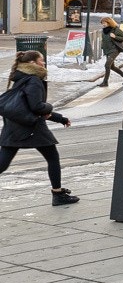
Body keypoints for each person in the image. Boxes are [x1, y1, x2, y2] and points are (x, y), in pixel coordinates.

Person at [0, 50, 77, 205]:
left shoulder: (20, 77)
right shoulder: (33, 80)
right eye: (41, 60)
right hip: (32, 127)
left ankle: (58, 193)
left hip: (14, 126)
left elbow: (26, 105)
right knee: (52, 158)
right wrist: (50, 107)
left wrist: (59, 118)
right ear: (32, 63)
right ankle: (58, 195)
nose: (44, 63)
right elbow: (37, 107)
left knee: (3, 163)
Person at [99, 16, 123, 87]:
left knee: (107, 65)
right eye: (102, 23)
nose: (103, 24)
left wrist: (115, 37)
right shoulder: (104, 31)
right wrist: (102, 47)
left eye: (104, 23)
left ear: (109, 22)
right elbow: (104, 40)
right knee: (112, 67)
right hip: (107, 50)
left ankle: (105, 82)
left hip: (114, 50)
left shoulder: (115, 29)